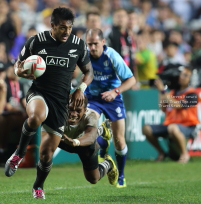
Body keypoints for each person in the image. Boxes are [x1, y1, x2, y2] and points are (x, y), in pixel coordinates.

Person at [5, 7, 94, 199]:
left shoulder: (78, 44)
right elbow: (17, 66)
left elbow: (89, 72)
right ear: (52, 25)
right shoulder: (36, 41)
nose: (67, 32)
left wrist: (81, 88)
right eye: (62, 27)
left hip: (61, 101)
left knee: (46, 154)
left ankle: (38, 186)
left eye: (70, 28)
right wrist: (20, 72)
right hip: (39, 92)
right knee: (36, 116)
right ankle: (18, 155)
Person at [85, 28, 136, 187]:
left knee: (120, 141)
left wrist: (115, 92)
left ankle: (121, 174)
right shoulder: (85, 56)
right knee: (89, 129)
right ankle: (103, 144)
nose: (92, 48)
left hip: (114, 99)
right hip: (93, 98)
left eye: (95, 44)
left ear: (103, 42)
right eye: (89, 44)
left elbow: (131, 80)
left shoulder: (112, 56)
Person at [58, 95, 118, 186]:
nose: (73, 114)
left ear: (85, 110)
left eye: (78, 110)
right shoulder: (57, 112)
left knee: (93, 179)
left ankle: (109, 163)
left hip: (84, 144)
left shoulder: (90, 115)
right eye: (70, 109)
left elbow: (90, 137)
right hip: (65, 141)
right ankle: (102, 130)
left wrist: (75, 142)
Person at [143, 66, 199, 163]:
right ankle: (162, 153)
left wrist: (164, 91)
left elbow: (177, 105)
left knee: (172, 128)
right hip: (170, 125)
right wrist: (161, 90)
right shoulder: (173, 92)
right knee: (146, 128)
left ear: (191, 78)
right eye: (182, 75)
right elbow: (163, 108)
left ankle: (185, 154)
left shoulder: (192, 94)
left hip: (188, 126)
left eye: (186, 75)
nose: (182, 77)